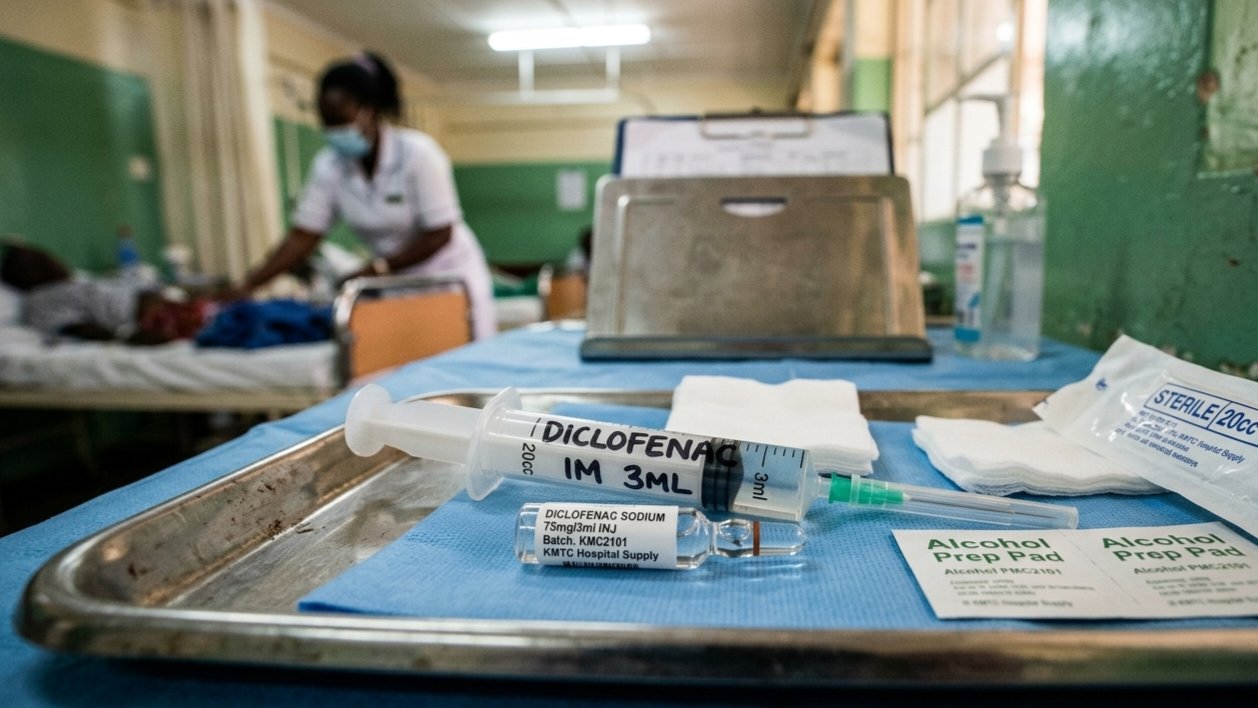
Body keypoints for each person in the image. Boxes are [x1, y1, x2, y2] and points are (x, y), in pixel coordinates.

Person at [230, 52, 497, 340]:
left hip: (449, 279)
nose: (333, 130)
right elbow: (301, 238)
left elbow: (440, 233)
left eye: (339, 119)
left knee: (456, 363)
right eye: (326, 121)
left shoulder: (419, 154)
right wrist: (248, 285)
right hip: (394, 287)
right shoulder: (329, 166)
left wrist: (376, 269)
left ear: (369, 111)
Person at [0, 241, 208, 345]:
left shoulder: (71, 282)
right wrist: (126, 336)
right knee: (212, 318)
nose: (52, 262)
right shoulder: (39, 301)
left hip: (160, 304)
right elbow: (74, 329)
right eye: (40, 261)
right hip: (148, 315)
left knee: (217, 308)